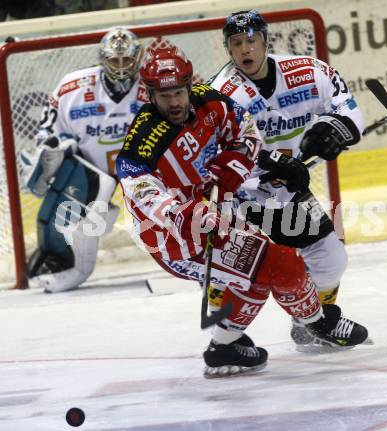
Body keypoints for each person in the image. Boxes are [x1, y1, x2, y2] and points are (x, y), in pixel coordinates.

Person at [115, 45, 368, 377]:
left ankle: (225, 347)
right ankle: (318, 324)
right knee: (283, 268)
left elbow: (245, 129)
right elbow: (139, 191)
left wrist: (238, 160)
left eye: (178, 92)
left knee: (257, 279)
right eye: (164, 96)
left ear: (189, 85)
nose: (174, 102)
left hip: (215, 214)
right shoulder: (143, 141)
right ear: (150, 95)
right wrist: (183, 214)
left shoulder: (209, 101)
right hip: (174, 238)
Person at [208, 10, 367, 352]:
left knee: (331, 260)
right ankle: (225, 343)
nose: (245, 50)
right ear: (228, 49)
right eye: (236, 43)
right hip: (240, 199)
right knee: (240, 277)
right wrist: (272, 165)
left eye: (251, 41)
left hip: (286, 195)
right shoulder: (221, 94)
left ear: (265, 41)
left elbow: (348, 107)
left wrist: (334, 129)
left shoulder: (307, 71)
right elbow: (215, 150)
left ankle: (313, 319)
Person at [20, 27, 146, 293]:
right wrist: (52, 149)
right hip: (92, 174)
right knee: (80, 200)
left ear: (138, 58)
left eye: (127, 60)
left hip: (145, 169)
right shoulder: (73, 88)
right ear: (102, 59)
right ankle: (62, 260)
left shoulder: (153, 85)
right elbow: (46, 132)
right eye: (115, 60)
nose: (121, 68)